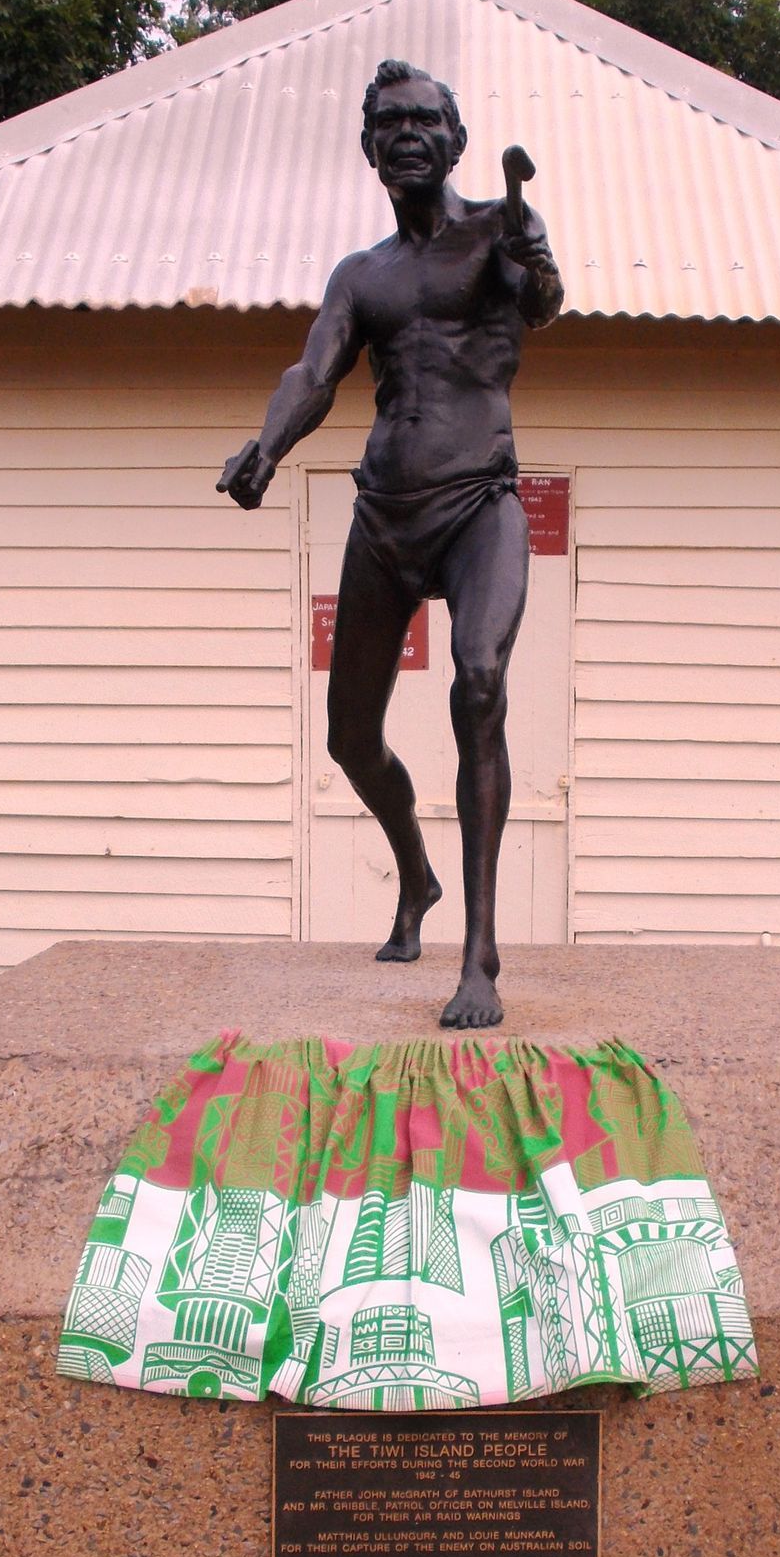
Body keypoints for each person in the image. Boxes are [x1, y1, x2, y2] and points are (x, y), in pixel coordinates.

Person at [218, 58, 564, 1028]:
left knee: (480, 680)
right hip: (385, 516)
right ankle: (416, 876)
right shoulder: (361, 274)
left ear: (453, 140)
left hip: (481, 506)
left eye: (423, 120)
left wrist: (532, 251)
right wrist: (267, 446)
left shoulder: (498, 233)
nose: (406, 134)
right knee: (348, 737)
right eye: (388, 123)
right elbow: (314, 369)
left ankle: (481, 959)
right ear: (370, 148)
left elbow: (542, 300)